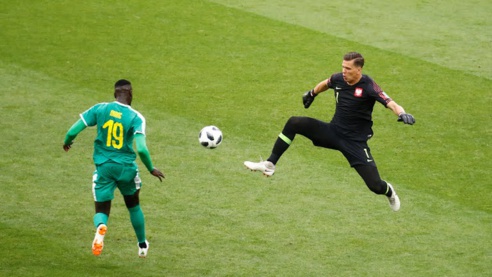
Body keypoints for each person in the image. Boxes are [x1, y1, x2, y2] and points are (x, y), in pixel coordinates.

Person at [244, 52, 415, 212]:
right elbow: (326, 83)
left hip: (354, 142)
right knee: (294, 122)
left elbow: (390, 102)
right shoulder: (339, 79)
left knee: (375, 185)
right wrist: (311, 93)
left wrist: (402, 113)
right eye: (343, 67)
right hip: (333, 133)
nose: (344, 71)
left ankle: (389, 192)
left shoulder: (369, 86)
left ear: (358, 69)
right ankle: (270, 164)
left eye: (348, 68)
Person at [63, 79, 165, 257]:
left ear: (115, 94)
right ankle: (142, 245)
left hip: (104, 168)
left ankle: (101, 226)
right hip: (126, 169)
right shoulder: (136, 117)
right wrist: (151, 168)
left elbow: (72, 131)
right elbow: (141, 148)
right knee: (133, 206)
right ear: (131, 93)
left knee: (101, 209)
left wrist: (67, 142)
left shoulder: (100, 109)